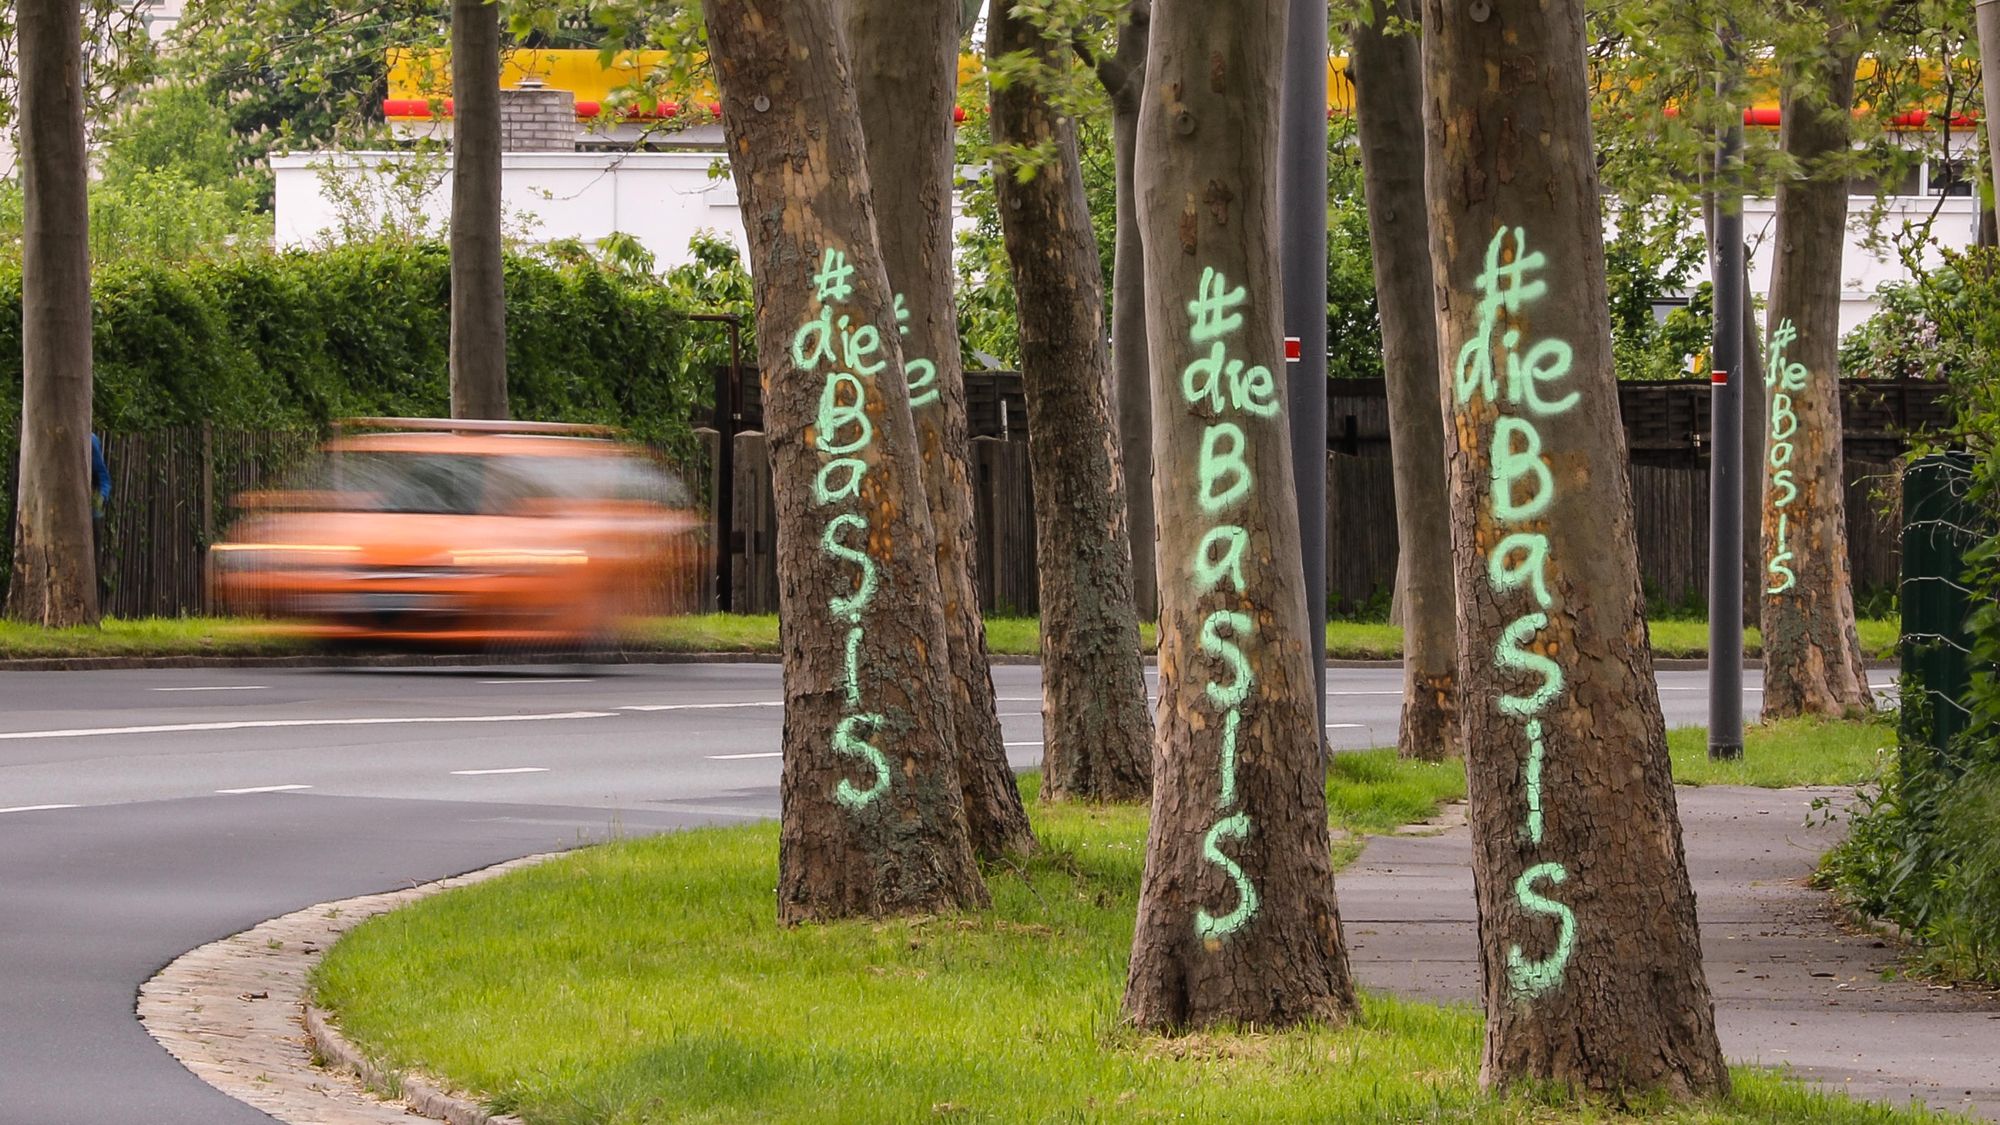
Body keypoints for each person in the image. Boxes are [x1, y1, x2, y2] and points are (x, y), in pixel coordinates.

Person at [90, 433, 111, 608]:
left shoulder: (90, 440)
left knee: (93, 557)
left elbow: (103, 476)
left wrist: (101, 498)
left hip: (90, 508)